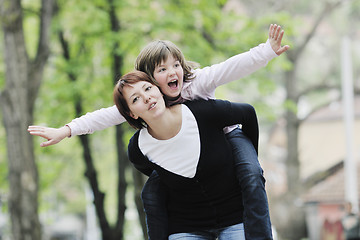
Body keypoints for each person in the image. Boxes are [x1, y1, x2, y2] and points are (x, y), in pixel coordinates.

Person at [28, 23, 289, 239]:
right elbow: (105, 116)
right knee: (151, 192)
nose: (172, 72)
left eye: (175, 65)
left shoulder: (195, 82)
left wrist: (266, 51)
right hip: (180, 161)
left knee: (252, 173)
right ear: (150, 80)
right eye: (162, 70)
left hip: (228, 135)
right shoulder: (147, 99)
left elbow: (232, 67)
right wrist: (67, 130)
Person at [114, 70, 261, 239]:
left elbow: (247, 113)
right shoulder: (138, 149)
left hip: (235, 216)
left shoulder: (201, 112)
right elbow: (152, 171)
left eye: (147, 89)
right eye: (135, 99)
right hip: (185, 226)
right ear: (132, 113)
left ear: (158, 89)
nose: (146, 97)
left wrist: (249, 160)